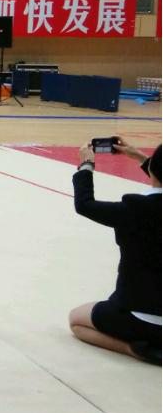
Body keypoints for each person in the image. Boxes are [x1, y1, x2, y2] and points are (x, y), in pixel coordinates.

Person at [69, 140, 161, 365]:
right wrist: (141, 158)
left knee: (76, 320)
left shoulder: (135, 209)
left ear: (153, 168)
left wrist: (86, 165)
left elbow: (85, 205)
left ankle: (135, 350)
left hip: (139, 315)